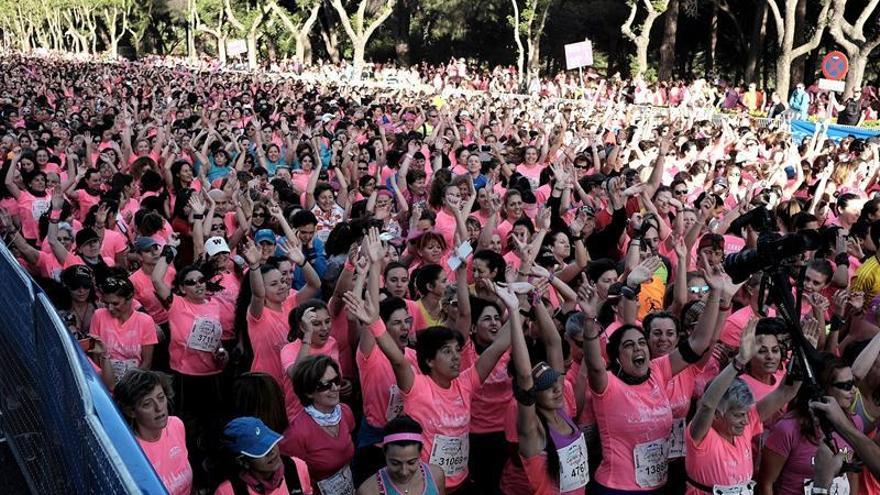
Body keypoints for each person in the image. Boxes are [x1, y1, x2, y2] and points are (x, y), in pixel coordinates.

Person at [685, 319, 799, 494]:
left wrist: (802, 355)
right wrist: (740, 361)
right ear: (717, 414)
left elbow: (786, 392)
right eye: (738, 415)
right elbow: (708, 404)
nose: (746, 421)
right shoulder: (701, 435)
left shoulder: (746, 422)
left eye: (745, 414)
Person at [756, 355, 861, 495]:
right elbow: (765, 484)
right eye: (846, 386)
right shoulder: (787, 429)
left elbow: (851, 473)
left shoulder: (854, 423)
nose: (853, 390)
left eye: (853, 383)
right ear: (823, 388)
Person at [281, 354, 356, 494]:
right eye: (325, 385)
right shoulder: (297, 434)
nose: (334, 388)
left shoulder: (345, 412)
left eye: (336, 380)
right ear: (309, 392)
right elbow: (291, 479)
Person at [114, 369, 193, 495]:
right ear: (131, 411)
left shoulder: (176, 425)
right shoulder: (130, 451)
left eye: (161, 398)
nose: (159, 407)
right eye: (147, 404)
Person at [215, 416, 312, 495]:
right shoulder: (227, 492)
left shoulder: (297, 467)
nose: (272, 452)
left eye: (271, 443)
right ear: (242, 461)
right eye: (261, 451)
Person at [89, 275, 158, 379]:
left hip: (133, 381)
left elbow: (146, 363)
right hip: (105, 378)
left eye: (115, 303)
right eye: (106, 303)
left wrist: (130, 384)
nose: (110, 308)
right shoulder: (98, 315)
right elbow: (95, 357)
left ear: (130, 299)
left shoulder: (145, 321)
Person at [356, 416, 446, 495]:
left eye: (411, 462)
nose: (404, 472)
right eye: (395, 463)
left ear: (420, 452)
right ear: (384, 452)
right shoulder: (369, 491)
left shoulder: (436, 476)